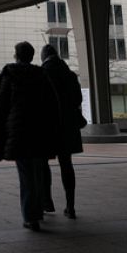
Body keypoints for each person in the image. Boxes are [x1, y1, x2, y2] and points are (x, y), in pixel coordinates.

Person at [0, 41, 58, 232]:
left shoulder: (9, 75)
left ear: (16, 55)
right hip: (40, 131)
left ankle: (31, 216)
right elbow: (52, 104)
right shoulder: (41, 75)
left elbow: (1, 107)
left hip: (19, 132)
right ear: (32, 56)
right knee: (37, 171)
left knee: (26, 175)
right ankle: (38, 209)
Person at [40, 43, 83, 219]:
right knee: (67, 164)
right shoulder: (70, 75)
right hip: (68, 126)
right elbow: (78, 99)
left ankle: (47, 201)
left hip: (48, 126)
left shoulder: (42, 73)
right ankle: (70, 206)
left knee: (43, 163)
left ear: (44, 57)